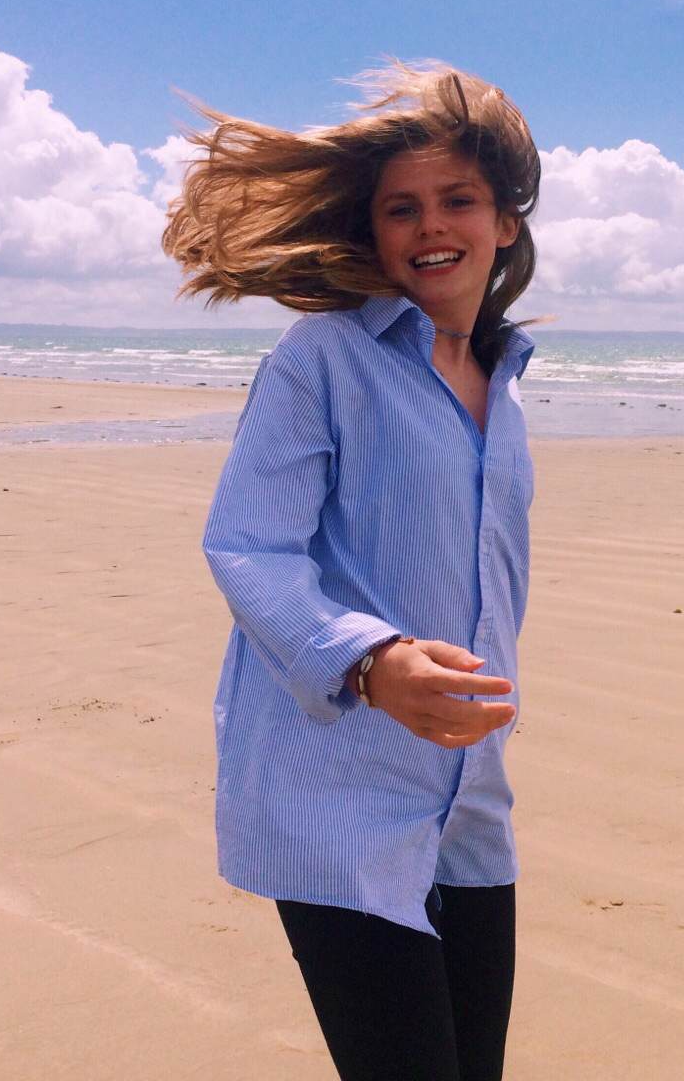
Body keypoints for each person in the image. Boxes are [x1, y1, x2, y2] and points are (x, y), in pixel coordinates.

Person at [162, 62, 542, 1081]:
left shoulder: (503, 384)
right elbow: (248, 543)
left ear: (505, 222)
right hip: (336, 792)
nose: (431, 226)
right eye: (401, 208)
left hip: (469, 800)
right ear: (374, 233)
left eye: (458, 200)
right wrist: (372, 663)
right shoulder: (322, 357)